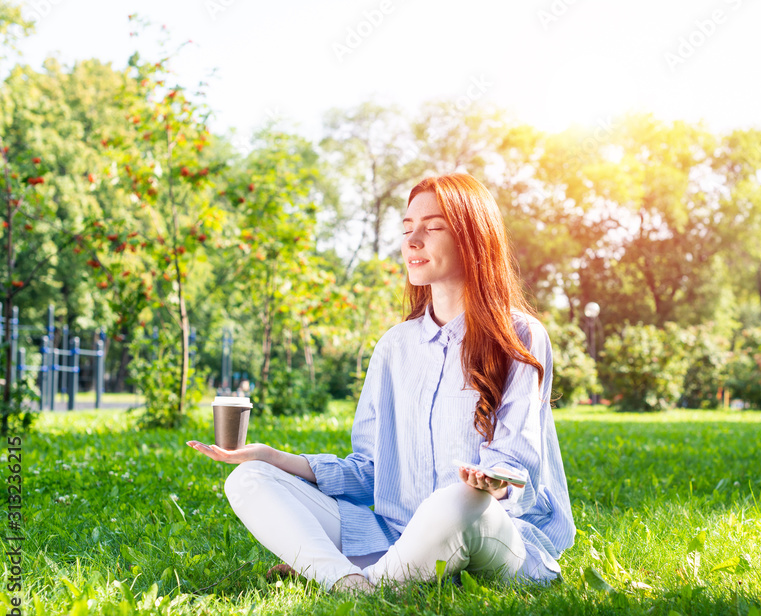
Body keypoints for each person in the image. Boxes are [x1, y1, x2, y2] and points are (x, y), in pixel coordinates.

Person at [186, 173, 575, 592]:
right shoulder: (394, 347)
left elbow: (515, 463)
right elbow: (370, 470)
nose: (413, 240)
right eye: (407, 229)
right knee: (248, 478)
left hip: (491, 532)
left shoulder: (519, 335)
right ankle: (351, 582)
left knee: (458, 499)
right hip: (393, 536)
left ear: (472, 238)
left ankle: (348, 576)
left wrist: (493, 482)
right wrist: (275, 457)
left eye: (433, 227)